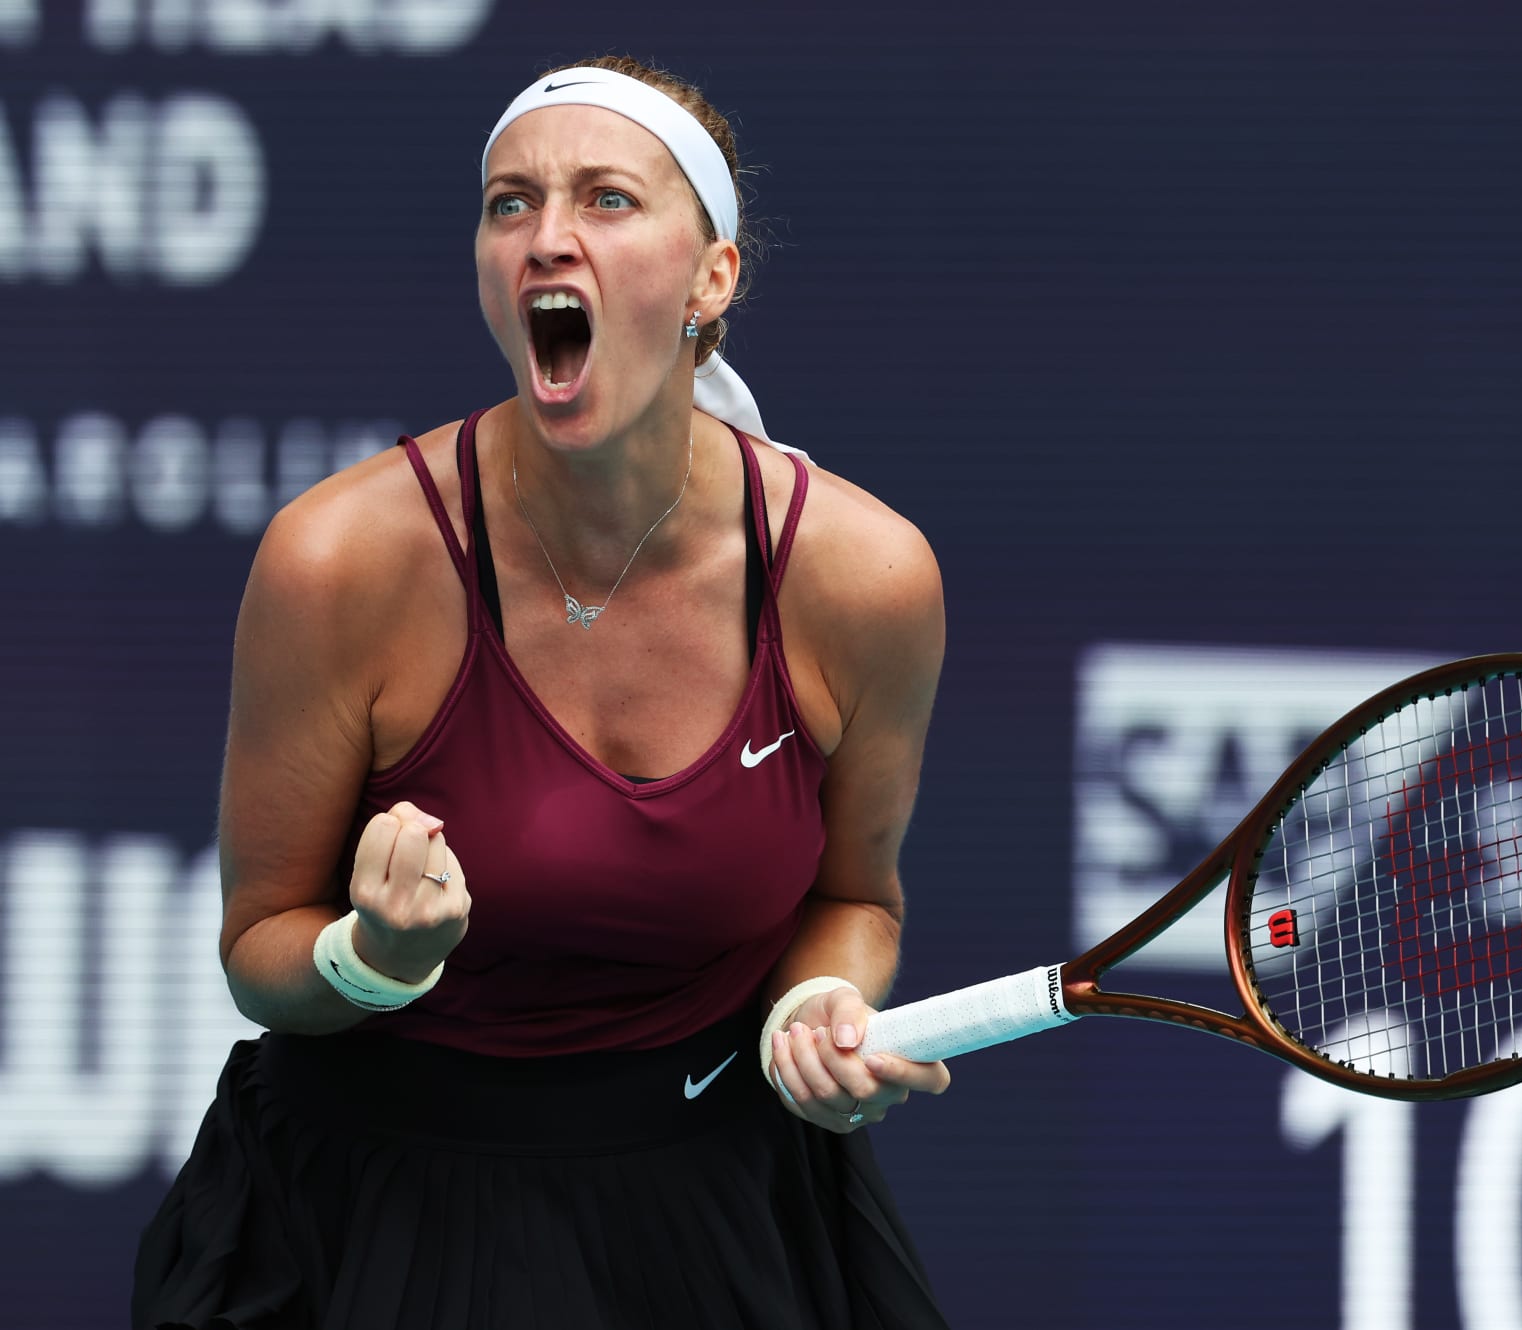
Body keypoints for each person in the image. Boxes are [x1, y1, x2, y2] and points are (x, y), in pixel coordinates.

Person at [132, 53, 953, 1330]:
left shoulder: (865, 579)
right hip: (366, 1212)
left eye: (607, 200)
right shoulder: (337, 560)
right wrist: (372, 959)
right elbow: (259, 950)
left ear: (712, 277)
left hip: (727, 1211)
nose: (545, 238)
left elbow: (856, 895)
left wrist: (815, 1002)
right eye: (510, 202)